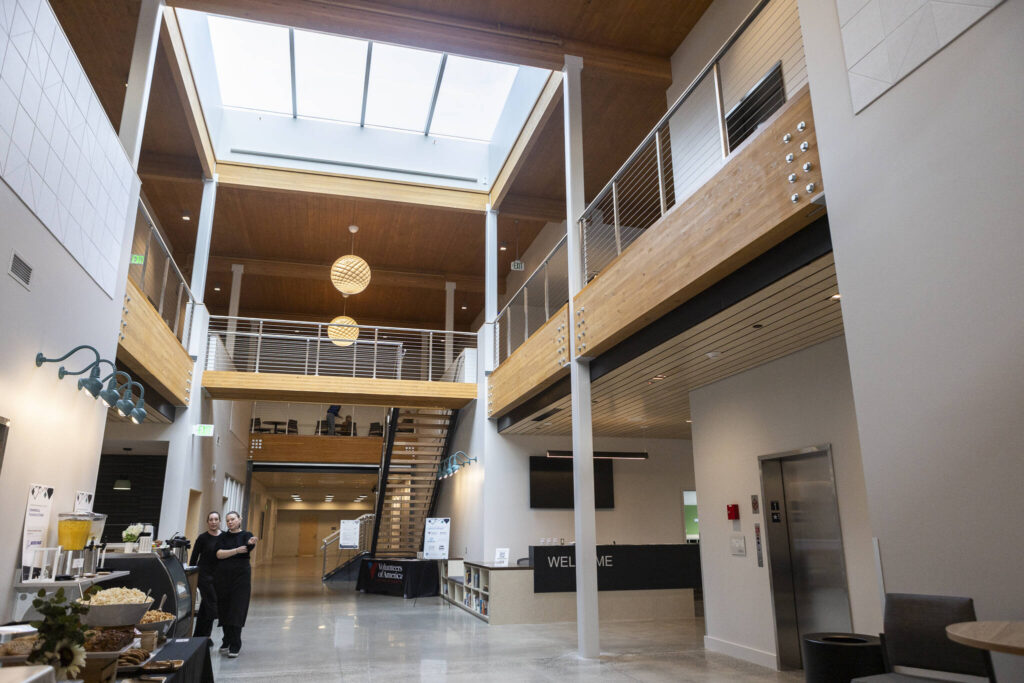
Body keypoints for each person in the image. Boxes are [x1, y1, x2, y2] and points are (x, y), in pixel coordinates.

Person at [214, 511, 257, 657]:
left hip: (241, 578)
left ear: (240, 519)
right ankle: (227, 639)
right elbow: (219, 554)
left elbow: (247, 548)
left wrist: (247, 545)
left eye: (232, 519)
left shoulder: (246, 535)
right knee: (225, 608)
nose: (230, 522)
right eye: (227, 520)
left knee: (237, 608)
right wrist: (236, 550)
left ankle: (235, 642)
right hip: (223, 577)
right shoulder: (223, 537)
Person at [189, 511, 222, 644]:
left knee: (205, 606)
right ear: (207, 522)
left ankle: (199, 636)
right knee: (212, 603)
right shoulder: (202, 538)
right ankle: (206, 636)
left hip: (219, 576)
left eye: (216, 519)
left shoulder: (224, 536)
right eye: (211, 519)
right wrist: (192, 575)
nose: (213, 522)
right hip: (204, 575)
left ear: (219, 521)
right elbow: (194, 557)